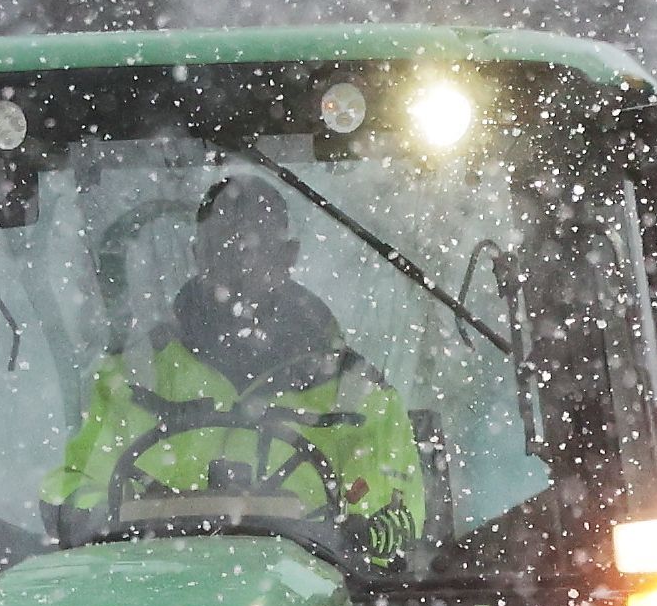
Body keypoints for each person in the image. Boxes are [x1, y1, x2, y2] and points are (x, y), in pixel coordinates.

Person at [45, 176, 427, 559]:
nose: (237, 265)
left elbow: (388, 522)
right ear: (198, 255)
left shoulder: (355, 392)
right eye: (221, 248)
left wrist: (342, 531)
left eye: (251, 250)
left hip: (310, 597)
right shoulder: (134, 377)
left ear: (288, 257)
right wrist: (122, 512)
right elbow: (73, 489)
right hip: (151, 588)